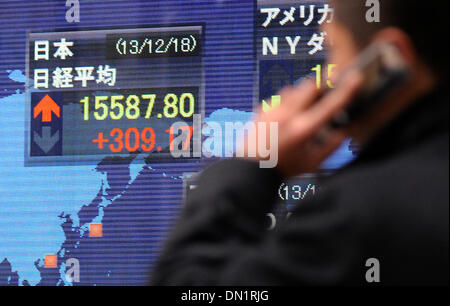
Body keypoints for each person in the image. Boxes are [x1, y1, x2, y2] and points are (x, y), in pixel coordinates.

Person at [150, 0, 449, 285]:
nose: (330, 77)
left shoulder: (358, 216)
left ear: (391, 58)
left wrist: (256, 163)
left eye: (333, 51)